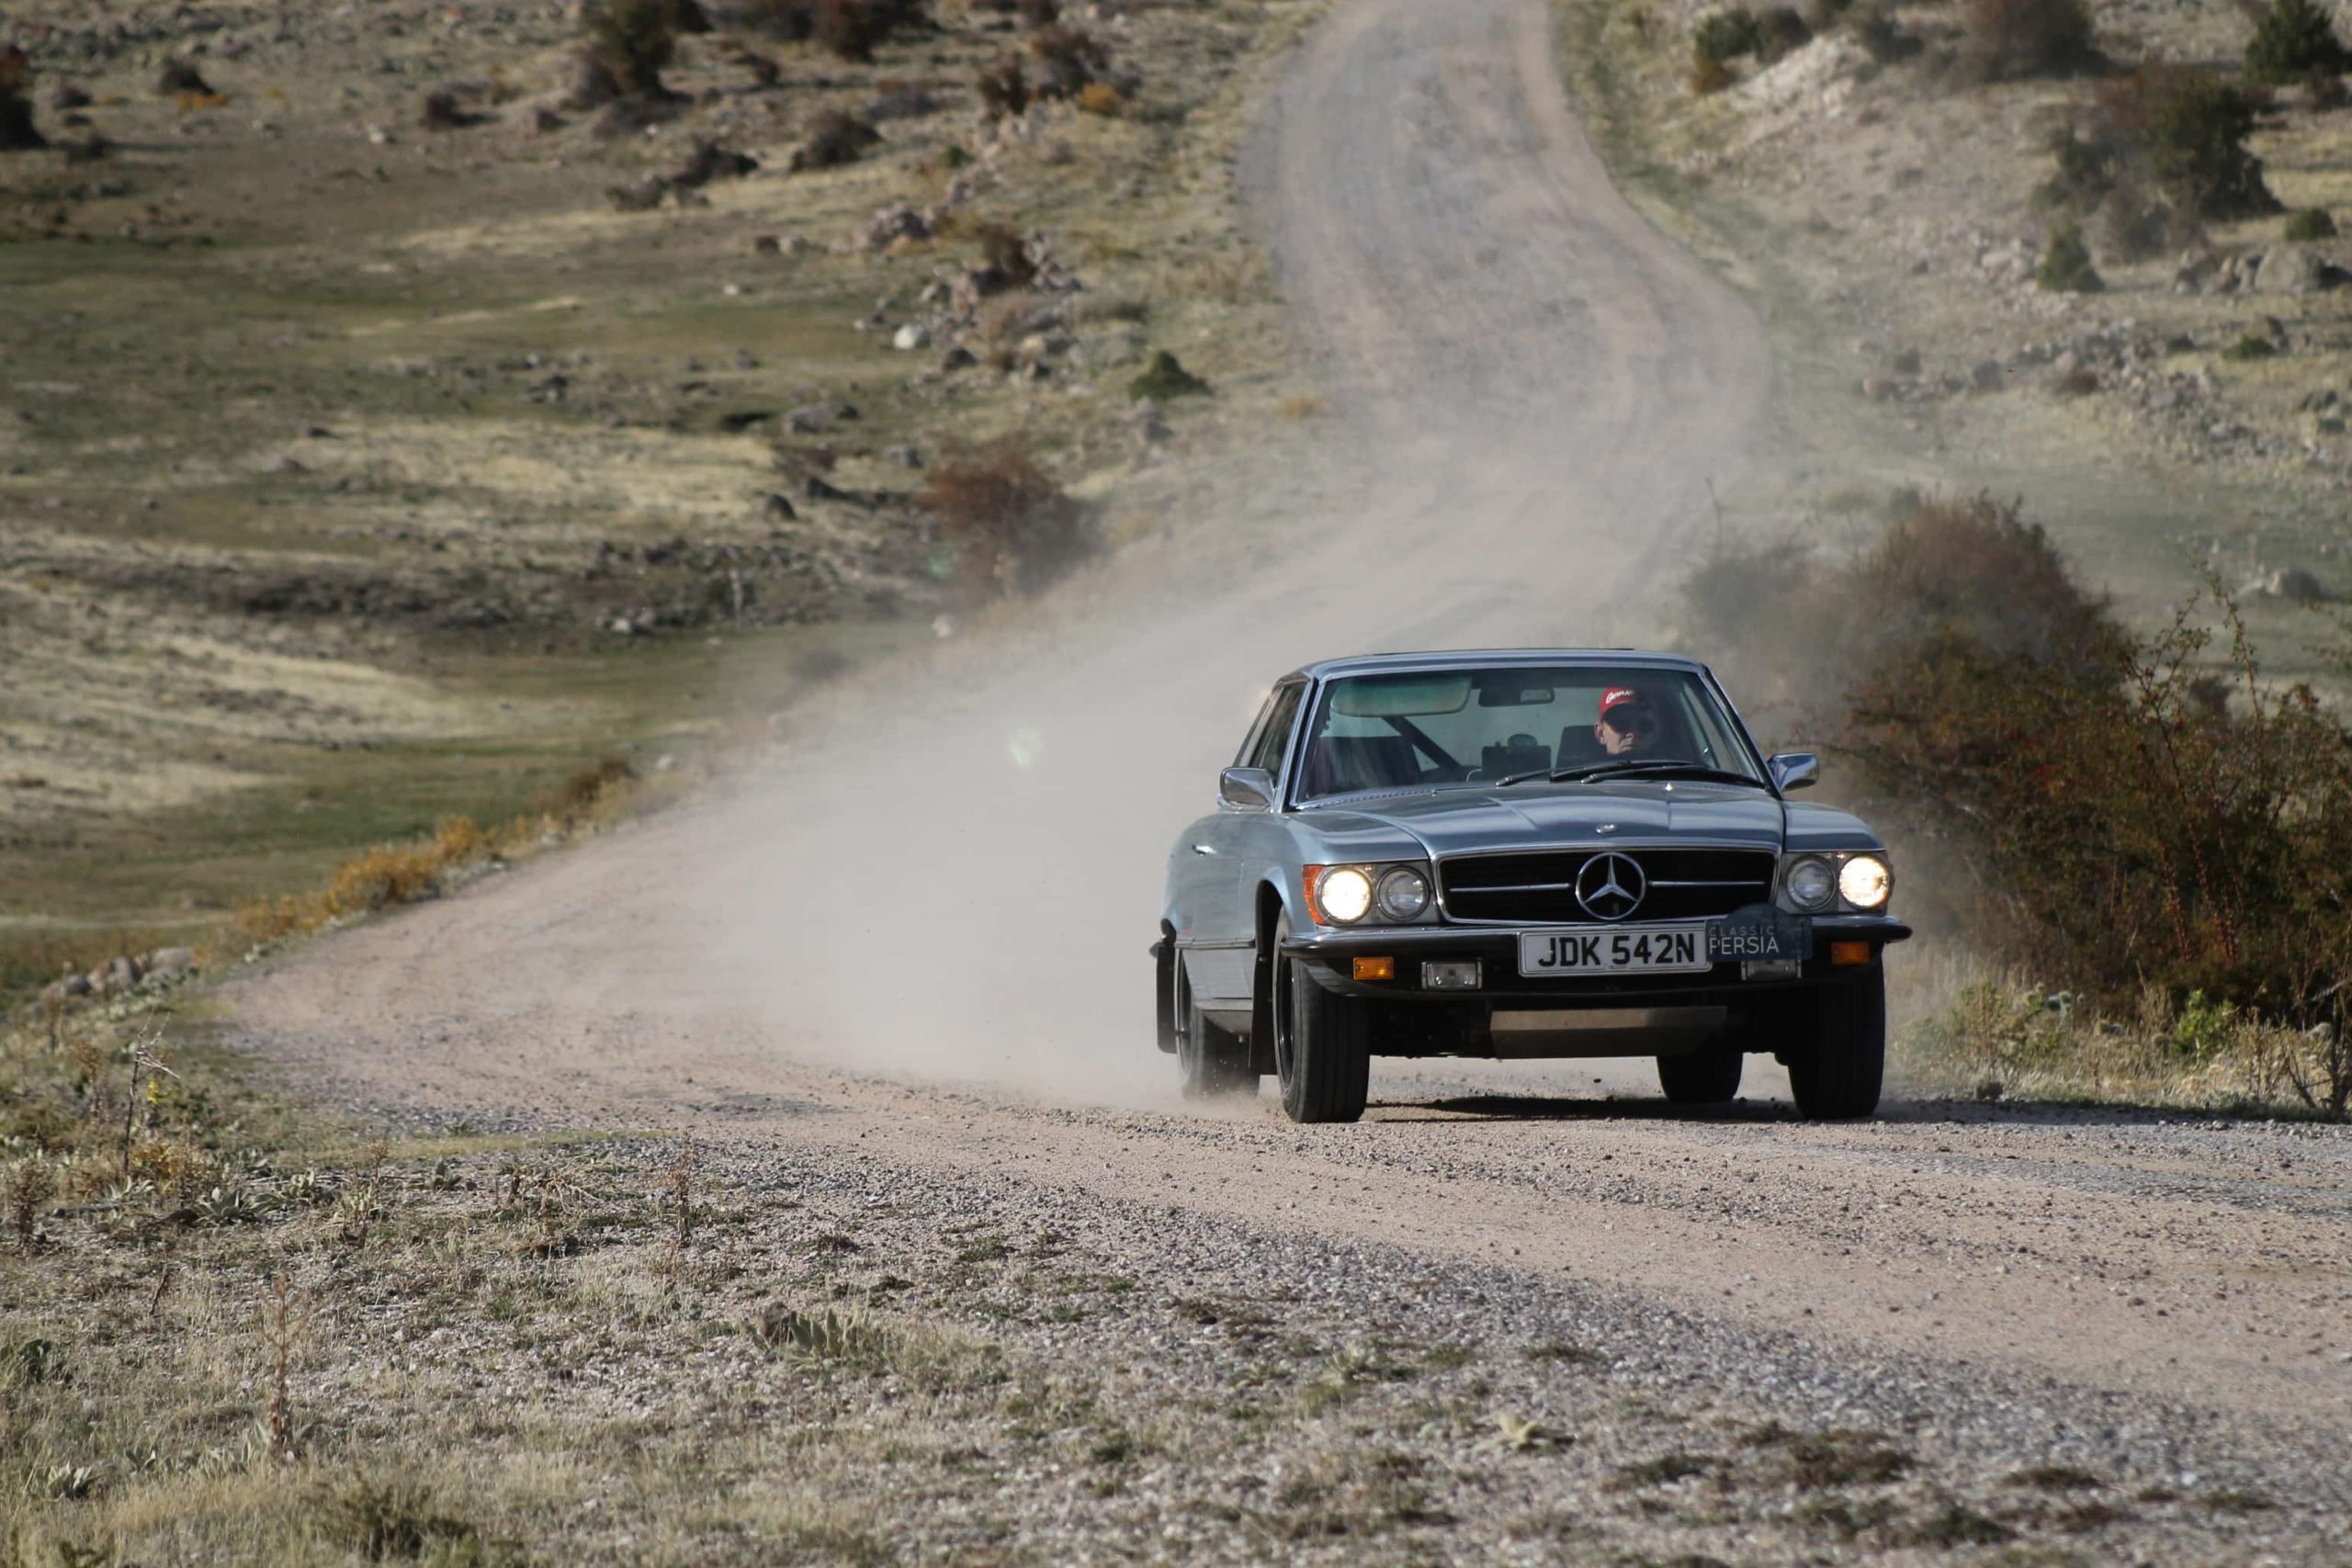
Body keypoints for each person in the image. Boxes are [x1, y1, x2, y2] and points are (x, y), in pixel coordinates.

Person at [1593, 685, 1663, 757]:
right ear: (1600, 733)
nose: (1632, 734)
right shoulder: (1587, 767)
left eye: (1643, 725)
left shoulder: (1671, 765)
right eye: (1620, 723)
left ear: (1655, 733)